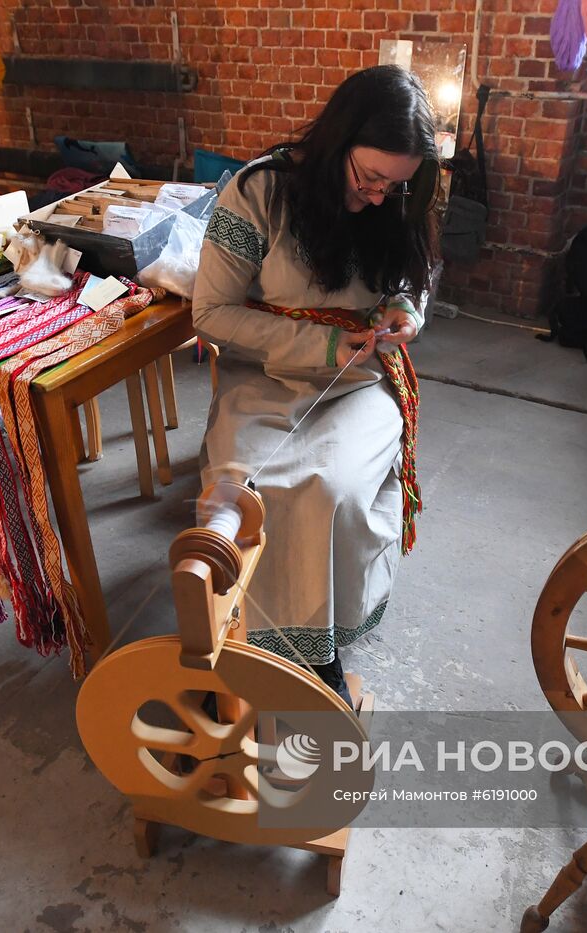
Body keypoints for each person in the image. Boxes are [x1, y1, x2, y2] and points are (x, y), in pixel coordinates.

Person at [191, 65, 438, 705]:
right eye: (370, 179)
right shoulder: (256, 193)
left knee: (333, 490)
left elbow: (414, 277)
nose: (382, 197)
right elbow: (211, 314)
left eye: (397, 185)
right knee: (255, 488)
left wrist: (408, 311)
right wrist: (322, 343)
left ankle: (317, 652)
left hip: (359, 382)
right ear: (337, 142)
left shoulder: (398, 199)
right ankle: (268, 647)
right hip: (267, 375)